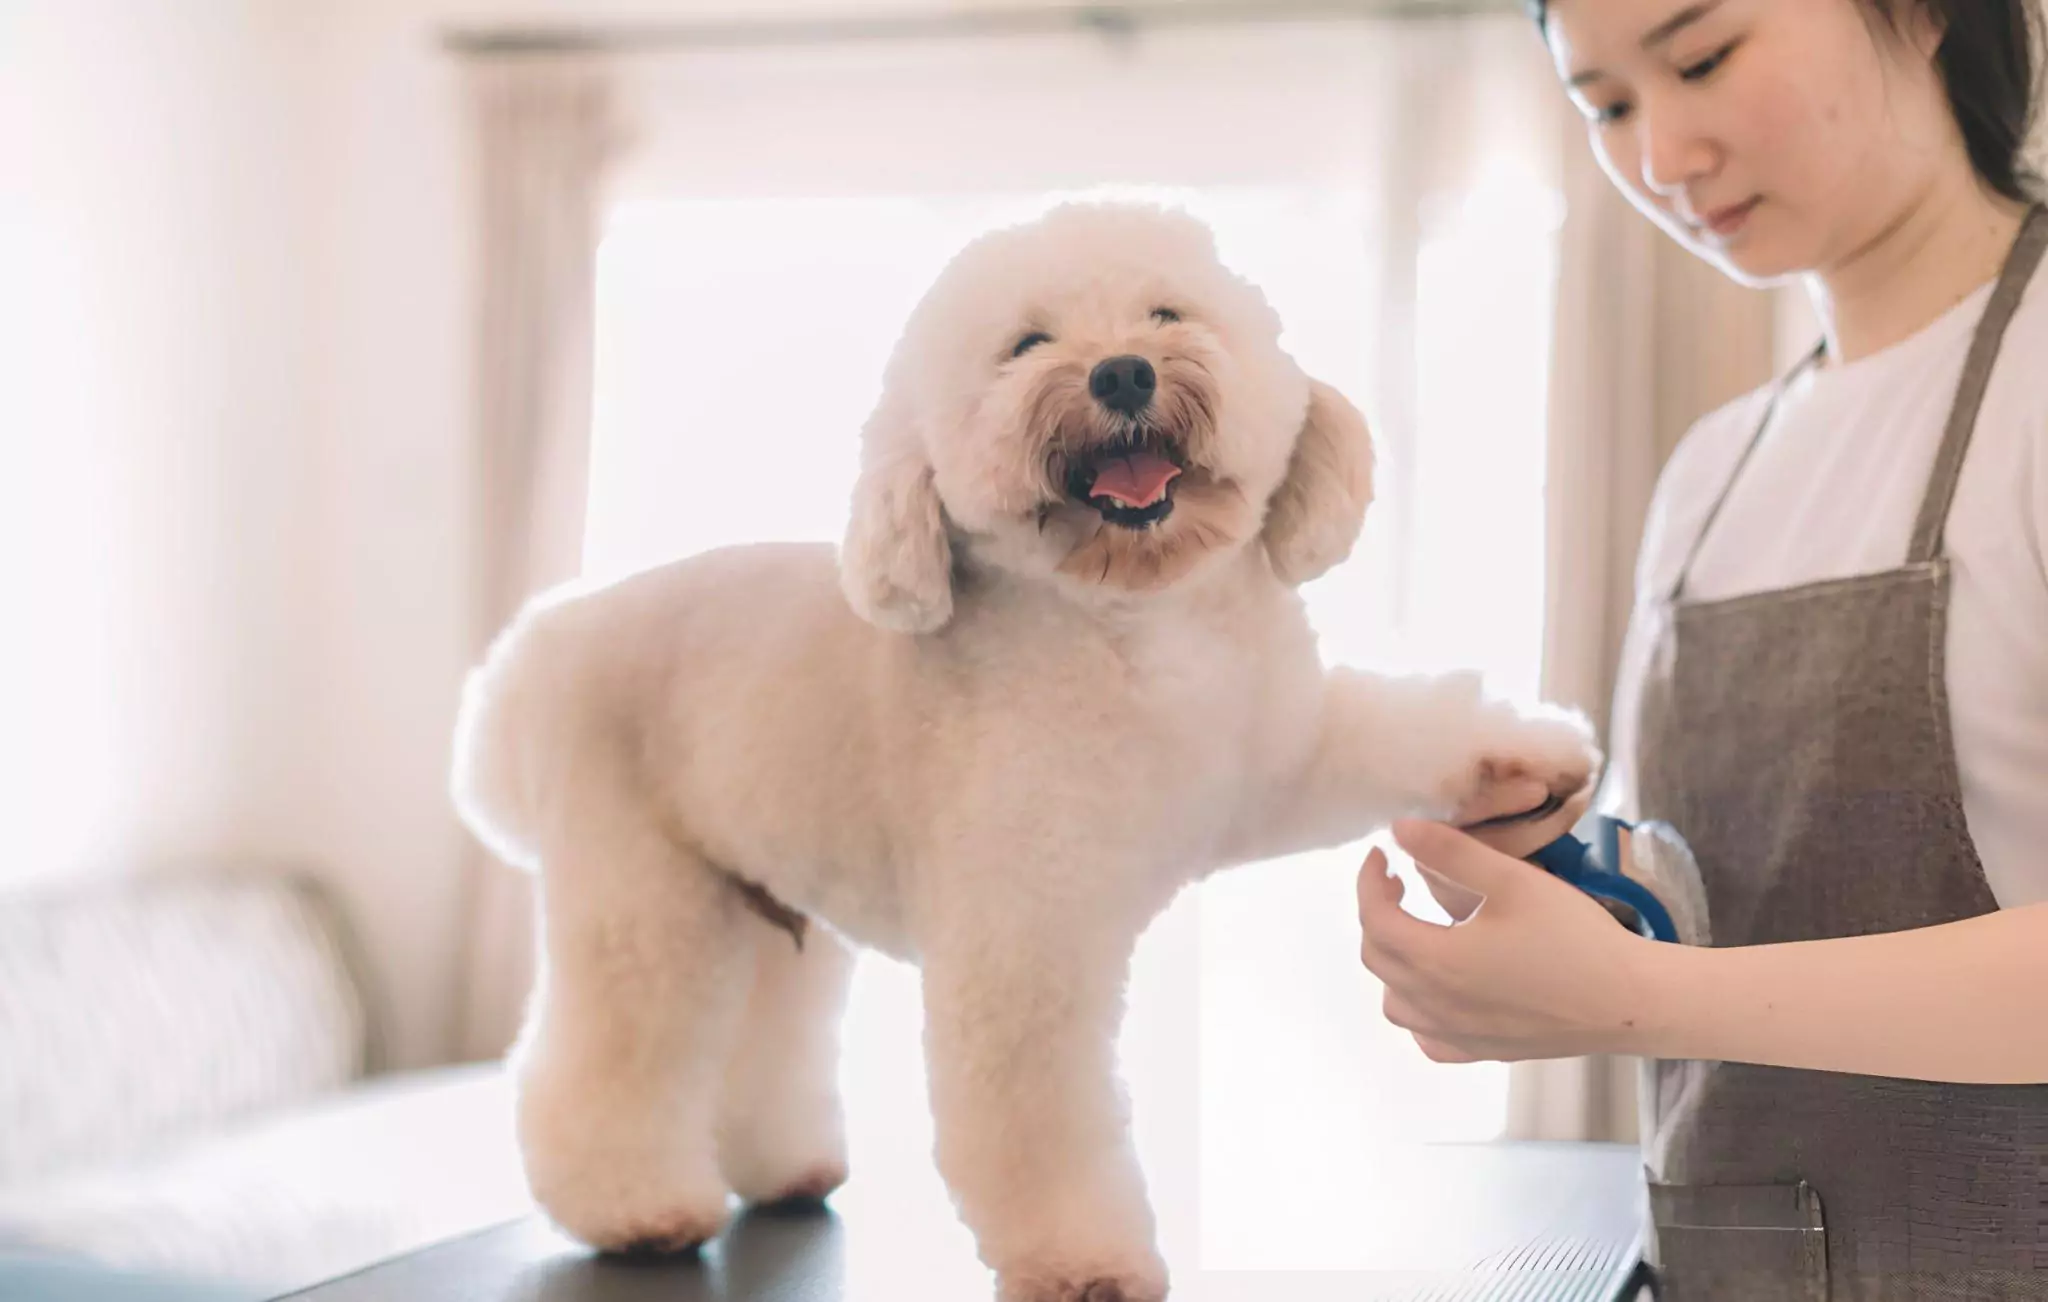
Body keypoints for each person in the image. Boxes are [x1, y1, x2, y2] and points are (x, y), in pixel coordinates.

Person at [1352, 0, 2048, 1296]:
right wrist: (1551, 871)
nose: (1663, 157)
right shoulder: (1711, 473)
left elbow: (1665, 990)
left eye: (1704, 57)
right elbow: (1713, 897)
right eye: (1608, 106)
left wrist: (1630, 997)